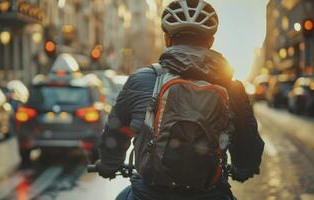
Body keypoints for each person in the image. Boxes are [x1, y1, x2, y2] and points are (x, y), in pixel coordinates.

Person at [95, 0, 265, 199]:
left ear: (167, 39)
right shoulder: (232, 88)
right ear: (210, 41)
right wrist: (243, 168)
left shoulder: (142, 80)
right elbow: (248, 144)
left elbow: (116, 131)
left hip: (149, 195)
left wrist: (108, 164)